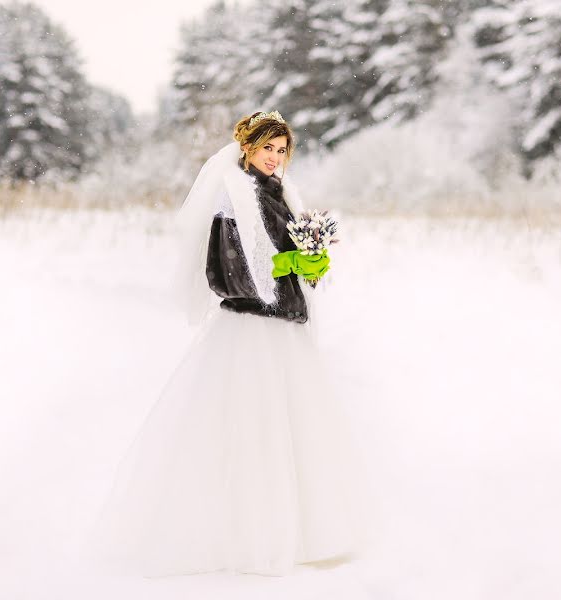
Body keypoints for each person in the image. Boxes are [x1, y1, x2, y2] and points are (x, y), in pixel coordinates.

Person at [83, 111, 373, 577]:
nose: (275, 158)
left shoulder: (283, 195)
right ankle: (241, 533)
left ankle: (300, 532)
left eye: (282, 150)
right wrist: (287, 264)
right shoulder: (231, 196)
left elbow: (288, 260)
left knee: (293, 428)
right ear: (246, 149)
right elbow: (227, 273)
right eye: (266, 149)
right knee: (248, 428)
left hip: (286, 328)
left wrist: (311, 264)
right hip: (250, 331)